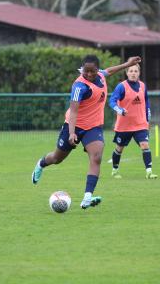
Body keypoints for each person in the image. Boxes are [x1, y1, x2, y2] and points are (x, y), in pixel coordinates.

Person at [31, 55, 142, 209]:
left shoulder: (101, 76)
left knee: (96, 157)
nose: (89, 74)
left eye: (93, 71)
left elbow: (109, 71)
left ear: (97, 70)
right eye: (86, 71)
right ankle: (41, 164)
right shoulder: (79, 86)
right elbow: (74, 112)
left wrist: (127, 64)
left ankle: (87, 197)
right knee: (57, 158)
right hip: (74, 126)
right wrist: (71, 133)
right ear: (82, 69)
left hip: (93, 127)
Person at [108, 63, 157, 179]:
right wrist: (119, 110)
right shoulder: (121, 87)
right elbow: (112, 101)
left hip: (140, 124)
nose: (133, 73)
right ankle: (115, 170)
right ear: (127, 73)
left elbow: (146, 101)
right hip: (124, 126)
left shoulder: (143, 86)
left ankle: (149, 172)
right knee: (119, 148)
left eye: (135, 71)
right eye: (131, 71)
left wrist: (147, 116)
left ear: (139, 73)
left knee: (145, 145)